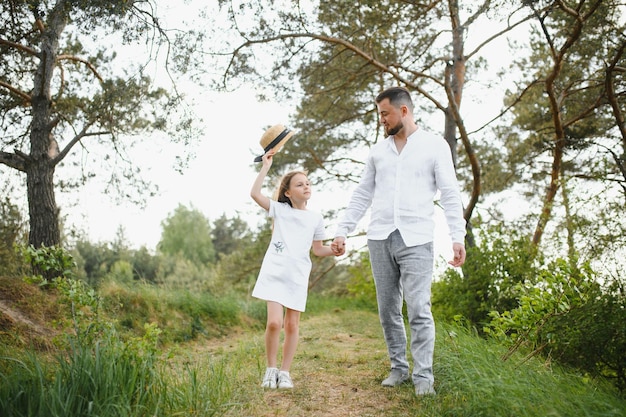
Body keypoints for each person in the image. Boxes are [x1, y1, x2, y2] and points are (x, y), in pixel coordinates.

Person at [331, 86, 466, 396]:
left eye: (385, 113)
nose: (381, 120)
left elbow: (449, 192)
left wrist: (457, 236)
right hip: (379, 237)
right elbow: (363, 193)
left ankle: (424, 379)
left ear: (404, 111)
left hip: (417, 239)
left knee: (419, 308)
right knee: (387, 309)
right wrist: (342, 229)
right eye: (380, 114)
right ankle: (399, 368)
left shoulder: (435, 146)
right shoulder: (378, 152)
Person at [251, 148, 339, 390]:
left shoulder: (315, 218)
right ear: (288, 193)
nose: (306, 187)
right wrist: (265, 167)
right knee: (274, 324)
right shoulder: (280, 210)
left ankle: (285, 372)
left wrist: (335, 250)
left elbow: (319, 249)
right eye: (300, 184)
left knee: (291, 325)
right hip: (275, 273)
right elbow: (255, 193)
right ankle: (270, 369)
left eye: (308, 183)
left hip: (298, 276)